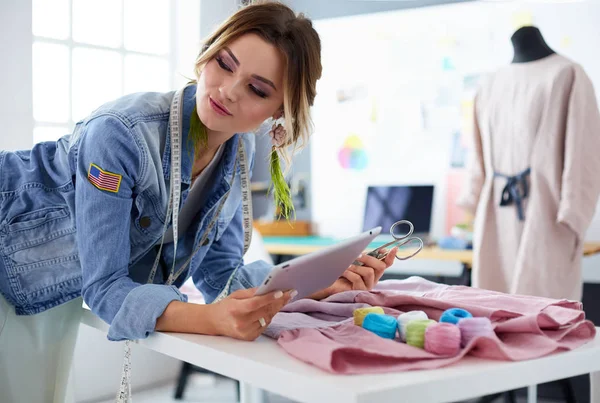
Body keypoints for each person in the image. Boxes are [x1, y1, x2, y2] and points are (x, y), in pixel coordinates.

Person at [0, 2, 398, 402]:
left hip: (45, 285)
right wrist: (209, 320)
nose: (227, 90)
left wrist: (314, 285)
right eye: (224, 64)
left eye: (257, 89)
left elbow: (221, 279)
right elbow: (104, 286)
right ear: (208, 52)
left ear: (278, 112)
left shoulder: (235, 153)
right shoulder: (119, 135)